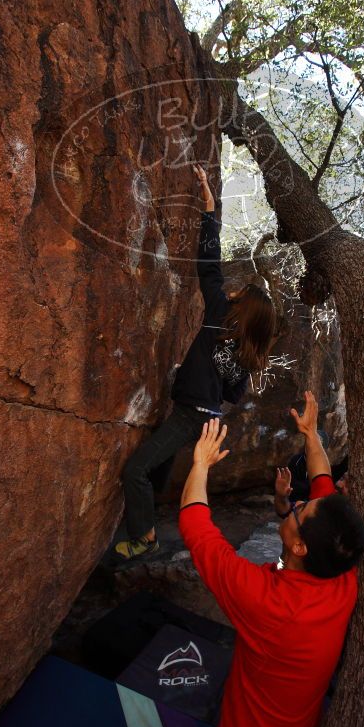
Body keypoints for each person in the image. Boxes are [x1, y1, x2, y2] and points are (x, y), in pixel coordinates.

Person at [179, 391, 364, 727]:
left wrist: (200, 464)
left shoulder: (269, 603)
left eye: (299, 512)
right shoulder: (341, 573)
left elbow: (196, 529)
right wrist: (311, 434)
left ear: (299, 547)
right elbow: (322, 479)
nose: (298, 504)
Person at [115, 164, 277, 560]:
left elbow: (209, 264)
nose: (234, 291)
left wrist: (208, 206)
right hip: (208, 419)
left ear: (242, 306)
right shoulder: (248, 352)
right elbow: (235, 394)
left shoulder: (220, 315)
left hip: (191, 415)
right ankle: (148, 518)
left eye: (241, 292)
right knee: (159, 465)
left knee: (135, 471)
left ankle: (144, 539)